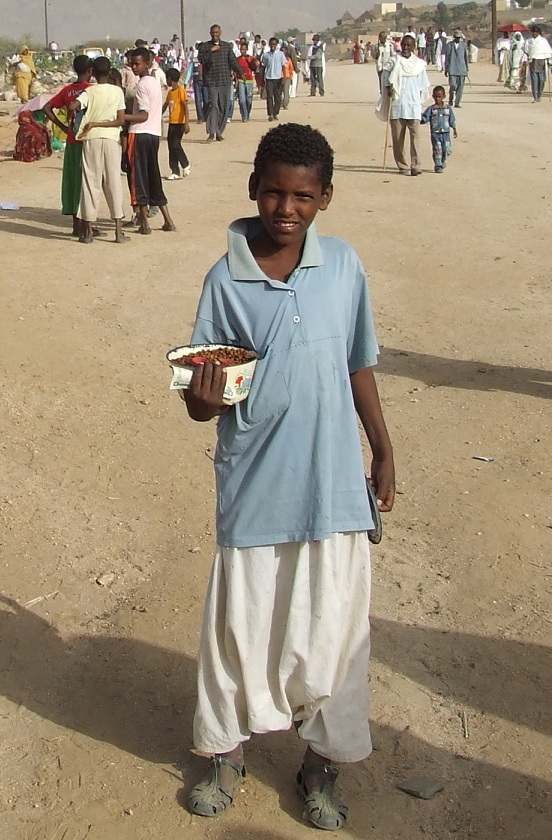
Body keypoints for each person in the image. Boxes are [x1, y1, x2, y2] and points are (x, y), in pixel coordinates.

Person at [181, 121, 395, 832]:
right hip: (255, 490)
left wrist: (383, 449)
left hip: (333, 490)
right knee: (240, 631)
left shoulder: (343, 267)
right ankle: (224, 751)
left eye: (302, 196)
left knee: (333, 633)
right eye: (274, 192)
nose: (285, 209)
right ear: (254, 190)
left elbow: (357, 363)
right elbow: (203, 390)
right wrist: (201, 403)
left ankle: (321, 765)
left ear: (324, 197)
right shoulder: (225, 277)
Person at [68, 56, 127, 244]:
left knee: (90, 183)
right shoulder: (117, 92)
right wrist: (102, 123)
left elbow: (73, 105)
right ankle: (118, 232)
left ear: (92, 72)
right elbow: (121, 120)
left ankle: (88, 233)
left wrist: (74, 118)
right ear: (110, 72)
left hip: (91, 139)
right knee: (113, 183)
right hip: (110, 139)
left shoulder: (90, 91)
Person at [123, 47, 176, 234]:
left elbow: (143, 115)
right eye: (132, 63)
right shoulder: (154, 83)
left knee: (138, 180)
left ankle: (144, 223)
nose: (134, 67)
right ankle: (168, 220)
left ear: (147, 63)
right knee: (153, 176)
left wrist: (123, 117)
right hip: (153, 134)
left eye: (137, 64)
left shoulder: (142, 86)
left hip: (139, 133)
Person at [43, 55, 94, 236]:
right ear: (90, 71)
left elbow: (47, 108)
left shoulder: (67, 91)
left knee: (72, 182)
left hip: (72, 141)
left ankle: (75, 223)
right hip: (88, 142)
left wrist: (63, 126)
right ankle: (86, 226)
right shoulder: (92, 90)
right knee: (87, 183)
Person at [377, 34, 430, 176]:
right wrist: (387, 89)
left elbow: (423, 86)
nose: (406, 48)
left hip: (413, 105)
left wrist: (418, 100)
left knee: (416, 137)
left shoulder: (419, 65)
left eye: (409, 45)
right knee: (398, 138)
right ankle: (402, 165)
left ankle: (416, 165)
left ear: (413, 47)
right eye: (404, 45)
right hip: (397, 104)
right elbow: (385, 79)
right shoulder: (393, 62)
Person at [198, 24, 244, 141]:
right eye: (213, 33)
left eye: (217, 32)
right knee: (213, 105)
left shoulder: (226, 47)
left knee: (224, 107)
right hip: (211, 81)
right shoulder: (204, 47)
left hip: (224, 81)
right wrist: (210, 50)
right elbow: (201, 60)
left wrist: (240, 72)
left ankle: (219, 131)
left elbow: (233, 61)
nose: (215, 35)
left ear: (220, 33)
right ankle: (212, 132)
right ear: (210, 33)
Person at [421, 84, 457, 173]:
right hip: (435, 133)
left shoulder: (448, 108)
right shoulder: (431, 109)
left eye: (439, 97)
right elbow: (425, 118)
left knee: (446, 149)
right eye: (436, 97)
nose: (437, 99)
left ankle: (443, 160)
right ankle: (438, 165)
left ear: (444, 96)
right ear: (433, 97)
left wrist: (454, 129)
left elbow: (451, 119)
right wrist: (419, 118)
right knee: (437, 149)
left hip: (446, 133)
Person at [162, 67, 190, 179]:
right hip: (172, 123)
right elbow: (165, 106)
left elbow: (185, 107)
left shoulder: (180, 91)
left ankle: (185, 163)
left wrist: (186, 123)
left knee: (176, 145)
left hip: (180, 123)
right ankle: (175, 171)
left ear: (170, 79)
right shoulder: (170, 93)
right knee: (170, 146)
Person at [525, 25, 552, 103]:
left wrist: (549, 61)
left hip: (542, 61)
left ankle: (540, 94)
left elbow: (548, 51)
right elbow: (526, 50)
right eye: (533, 32)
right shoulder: (529, 41)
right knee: (534, 80)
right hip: (533, 61)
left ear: (538, 33)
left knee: (541, 80)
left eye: (536, 32)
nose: (534, 33)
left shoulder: (543, 41)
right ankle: (535, 96)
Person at [261, 37, 286, 121]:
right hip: (269, 78)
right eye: (271, 44)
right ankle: (270, 114)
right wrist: (262, 79)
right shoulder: (265, 55)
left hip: (278, 78)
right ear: (269, 44)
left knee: (278, 98)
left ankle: (275, 113)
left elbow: (283, 66)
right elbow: (263, 67)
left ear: (277, 45)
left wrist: (284, 77)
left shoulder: (280, 54)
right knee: (269, 97)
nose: (273, 46)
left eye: (274, 44)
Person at [445, 29, 468, 107]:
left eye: (459, 37)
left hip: (461, 69)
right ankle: (450, 99)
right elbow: (447, 58)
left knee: (460, 87)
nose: (458, 39)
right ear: (454, 37)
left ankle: (457, 102)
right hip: (452, 68)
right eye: (456, 37)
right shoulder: (449, 45)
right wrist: (446, 69)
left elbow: (465, 57)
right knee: (452, 85)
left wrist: (466, 69)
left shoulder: (464, 45)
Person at [236, 41, 257, 121]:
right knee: (241, 99)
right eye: (241, 49)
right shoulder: (237, 59)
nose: (242, 51)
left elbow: (254, 68)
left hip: (249, 80)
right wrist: (237, 80)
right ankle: (244, 116)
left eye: (244, 49)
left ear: (247, 49)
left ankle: (247, 112)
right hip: (241, 80)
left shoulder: (251, 58)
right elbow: (235, 70)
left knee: (248, 98)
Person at [281, 45, 294, 110]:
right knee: (278, 92)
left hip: (287, 77)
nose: (283, 52)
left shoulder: (288, 60)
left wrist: (291, 77)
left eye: (284, 51)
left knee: (286, 92)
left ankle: (285, 104)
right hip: (279, 77)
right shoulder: (278, 60)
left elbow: (291, 69)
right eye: (281, 50)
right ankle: (280, 103)